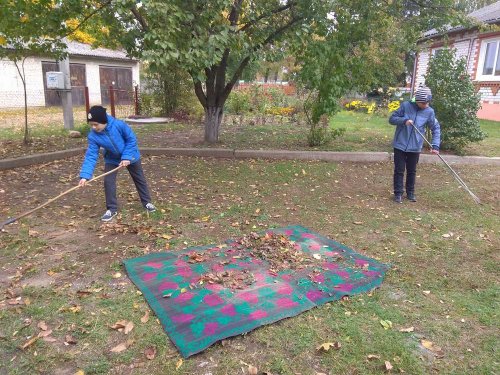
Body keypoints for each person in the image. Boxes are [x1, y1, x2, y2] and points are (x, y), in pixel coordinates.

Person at [79, 105, 156, 221]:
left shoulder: (119, 125)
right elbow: (91, 155)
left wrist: (126, 157)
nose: (94, 127)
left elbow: (131, 140)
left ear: (103, 121)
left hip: (131, 156)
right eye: (91, 125)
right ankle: (111, 209)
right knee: (108, 182)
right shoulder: (93, 136)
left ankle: (147, 203)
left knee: (139, 179)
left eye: (96, 124)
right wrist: (85, 176)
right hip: (112, 159)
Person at [389, 86, 441, 203]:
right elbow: (392, 119)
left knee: (412, 170)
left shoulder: (429, 112)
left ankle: (410, 193)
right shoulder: (405, 106)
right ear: (417, 101)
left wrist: (435, 145)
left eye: (427, 102)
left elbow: (435, 128)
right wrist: (404, 121)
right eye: (423, 103)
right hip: (400, 145)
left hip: (415, 147)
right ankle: (398, 193)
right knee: (399, 170)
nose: (426, 105)